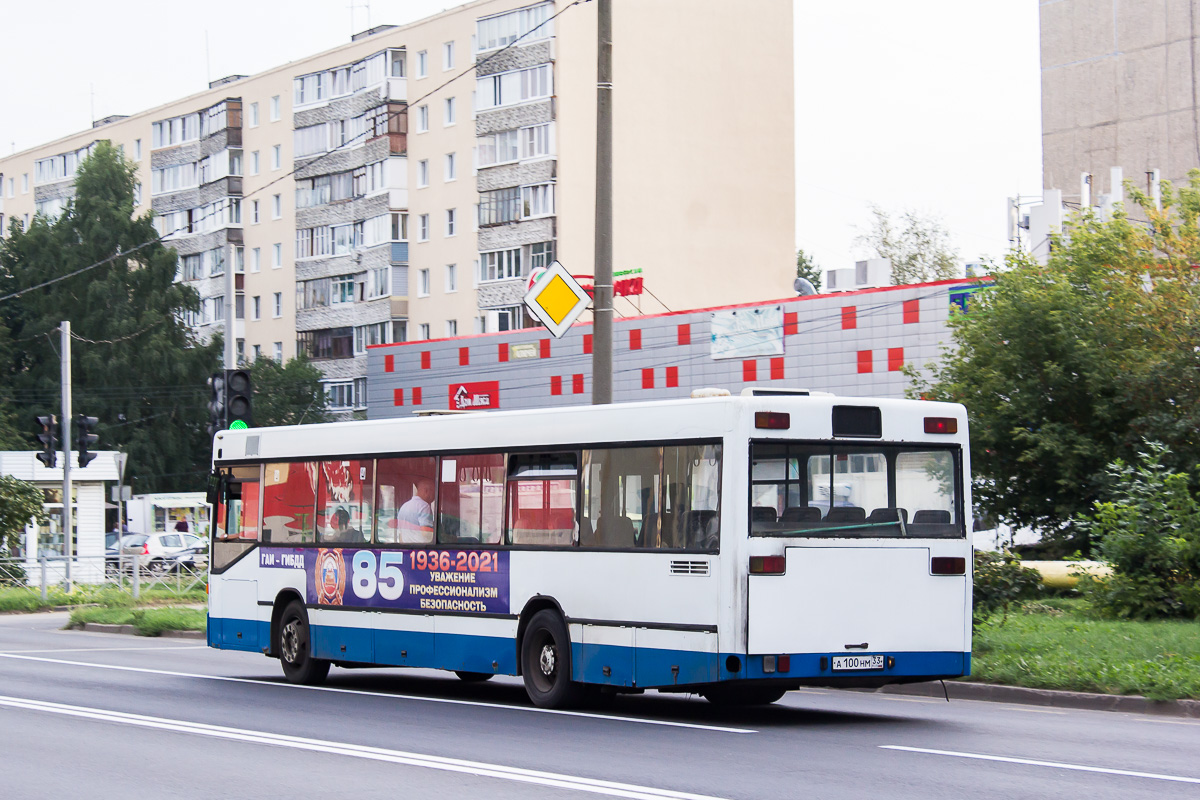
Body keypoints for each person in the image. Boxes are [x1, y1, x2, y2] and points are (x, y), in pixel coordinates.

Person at [397, 478, 436, 543]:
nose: (434, 497)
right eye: (434, 492)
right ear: (426, 491)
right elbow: (426, 533)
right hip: (422, 549)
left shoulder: (404, 506)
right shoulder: (424, 506)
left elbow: (401, 535)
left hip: (407, 549)